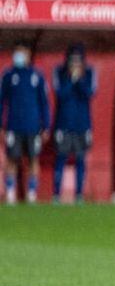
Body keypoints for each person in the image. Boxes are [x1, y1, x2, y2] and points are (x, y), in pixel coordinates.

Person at [1, 44, 50, 204]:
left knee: (33, 159)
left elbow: (44, 103)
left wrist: (46, 126)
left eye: (22, 53)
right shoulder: (8, 76)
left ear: (28, 56)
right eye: (17, 53)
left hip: (33, 127)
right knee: (11, 158)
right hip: (13, 126)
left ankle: (32, 193)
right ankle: (10, 193)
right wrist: (1, 125)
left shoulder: (37, 76)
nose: (19, 57)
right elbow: (1, 101)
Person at [51, 44, 95, 203]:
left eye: (78, 61)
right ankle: (56, 194)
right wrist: (71, 79)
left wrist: (79, 80)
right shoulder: (59, 72)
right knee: (60, 158)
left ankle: (79, 195)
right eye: (72, 61)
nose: (75, 64)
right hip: (63, 124)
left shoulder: (89, 72)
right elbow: (60, 94)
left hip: (82, 125)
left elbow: (89, 93)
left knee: (81, 159)